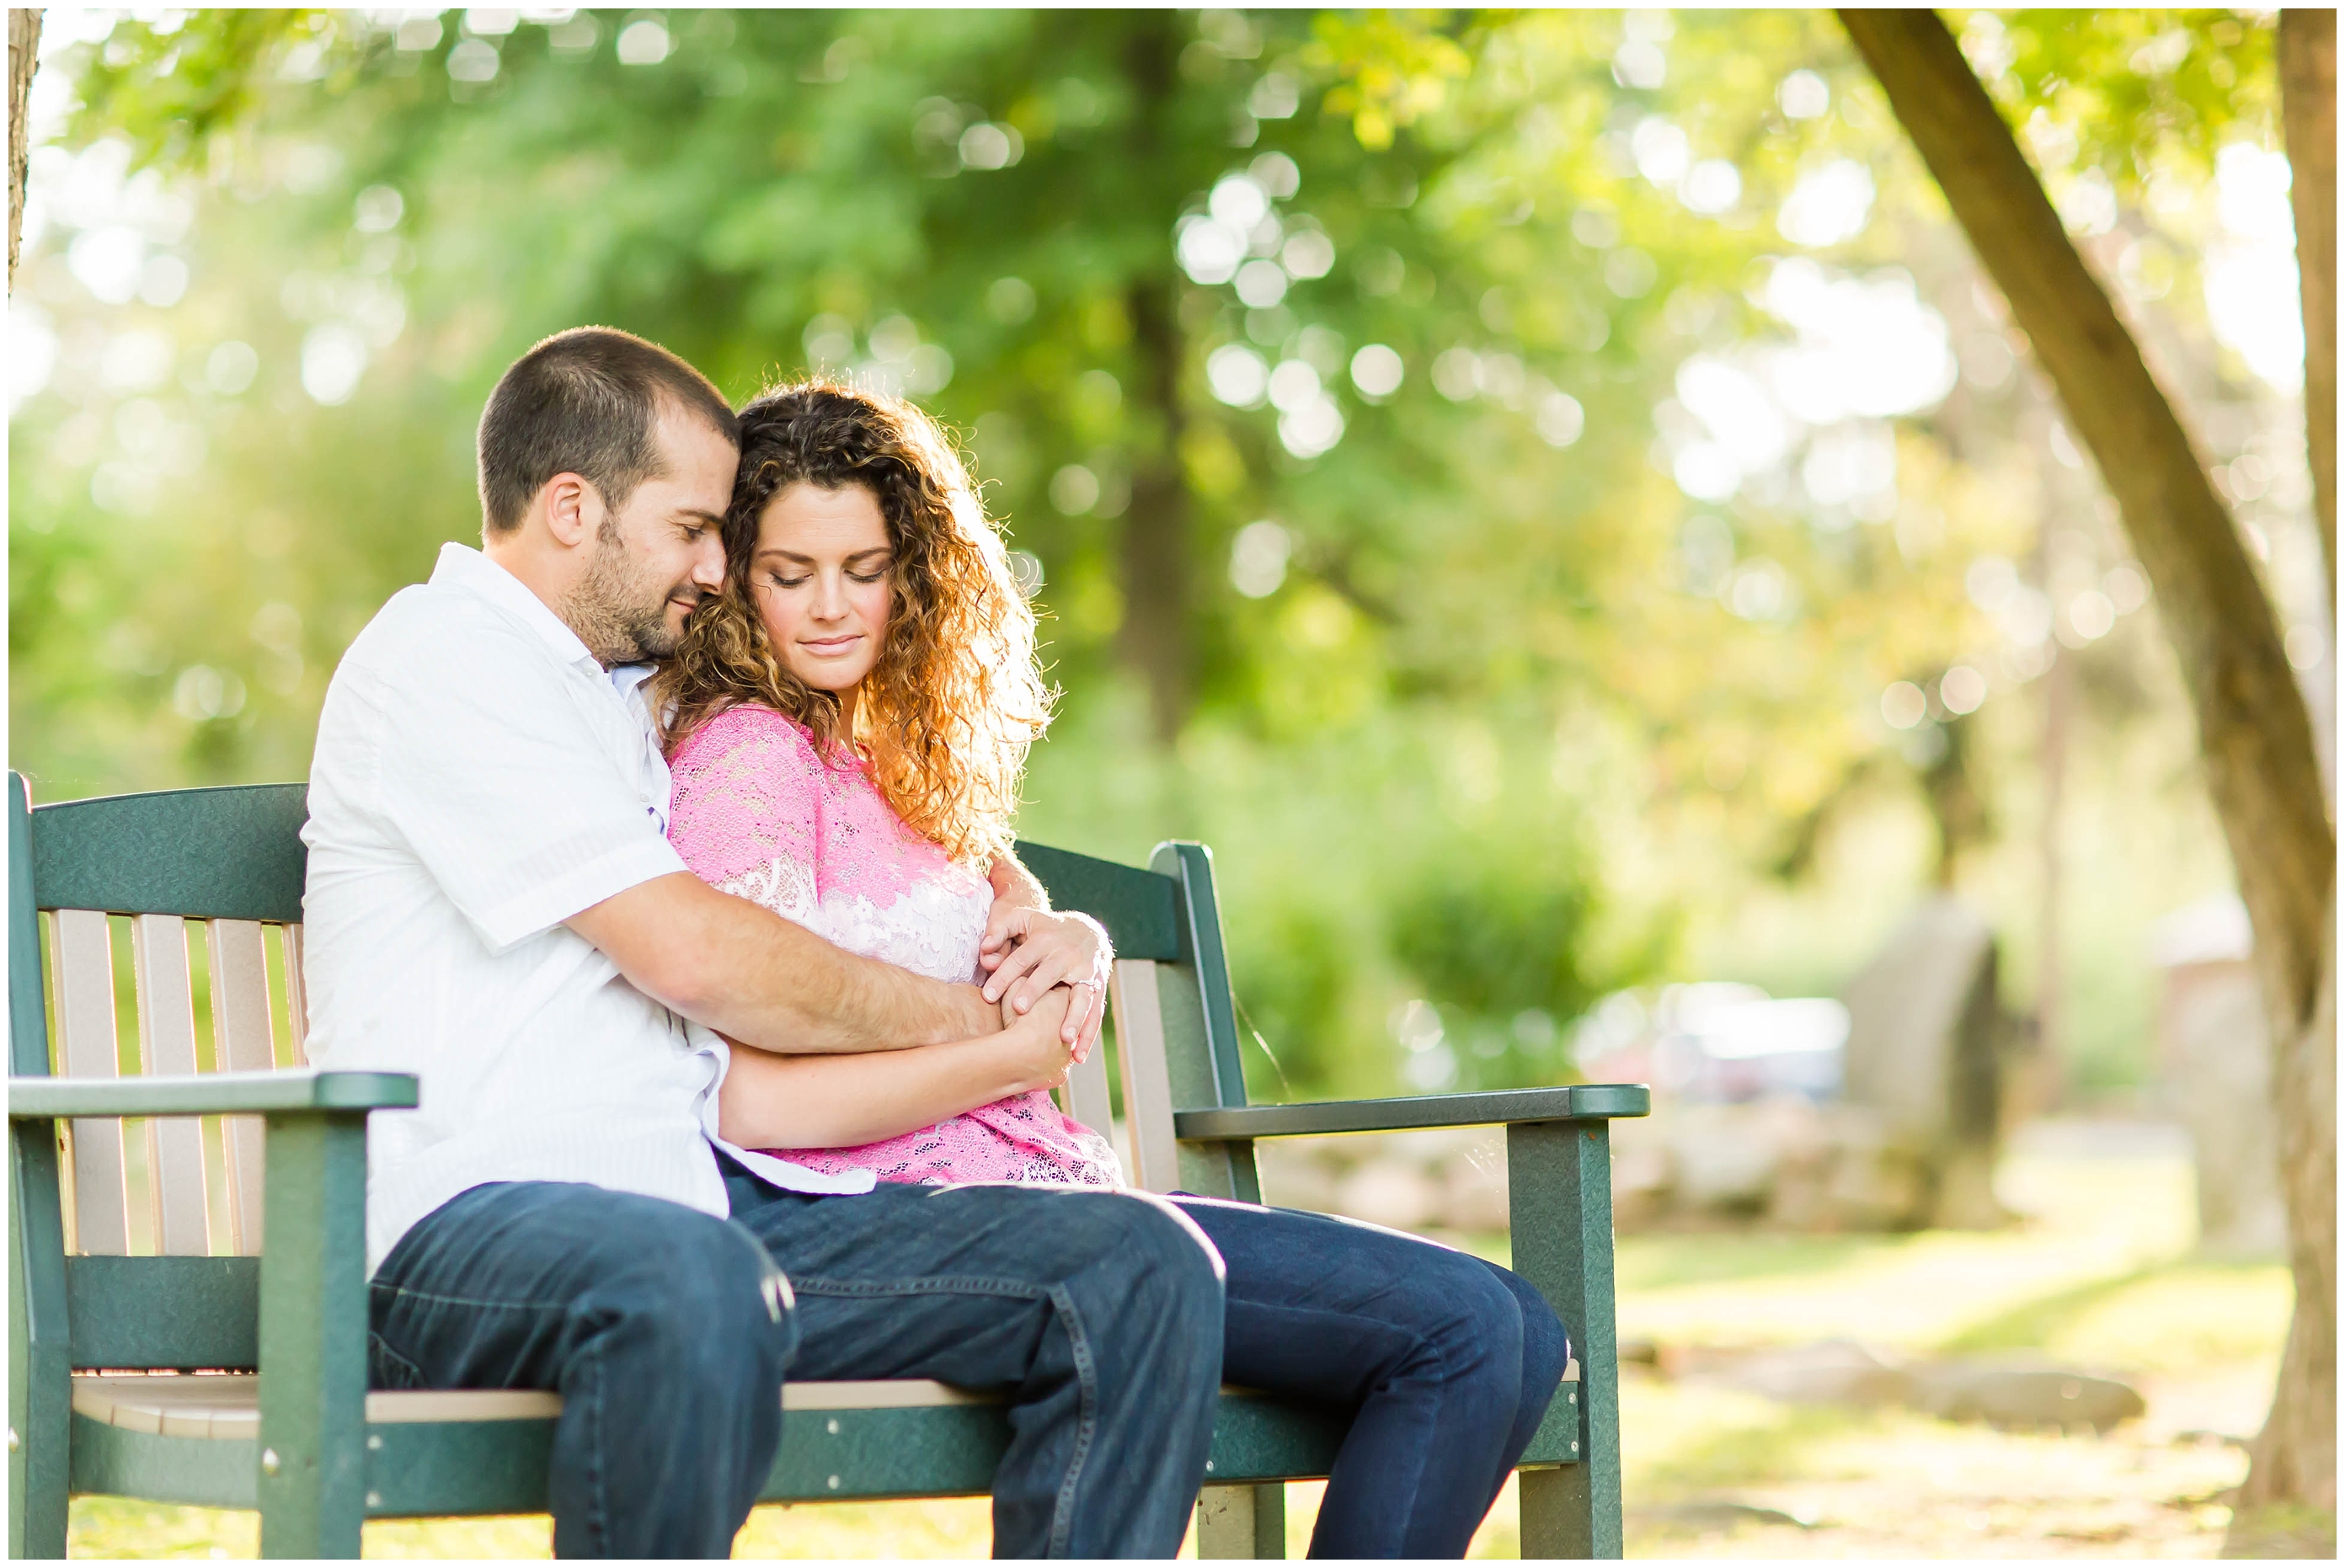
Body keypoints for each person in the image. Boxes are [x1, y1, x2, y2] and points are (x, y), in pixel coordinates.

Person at [301, 326, 1225, 1560]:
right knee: (693, 1287)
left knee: (1139, 1264)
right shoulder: (446, 659)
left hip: (704, 1214)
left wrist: (1044, 910)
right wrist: (976, 1021)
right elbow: (703, 956)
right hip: (466, 1230)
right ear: (573, 508)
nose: (716, 566)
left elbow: (879, 776)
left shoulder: (622, 689)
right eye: (692, 529)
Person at [654, 378, 1573, 1559]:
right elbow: (756, 1103)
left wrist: (1071, 930)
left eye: (865, 568)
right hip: (900, 1233)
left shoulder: (880, 755)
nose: (832, 608)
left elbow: (991, 891)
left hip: (1054, 1206)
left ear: (915, 572)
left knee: (1518, 1328)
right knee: (1466, 1334)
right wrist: (1007, 1053)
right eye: (791, 573)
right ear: (736, 575)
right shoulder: (745, 759)